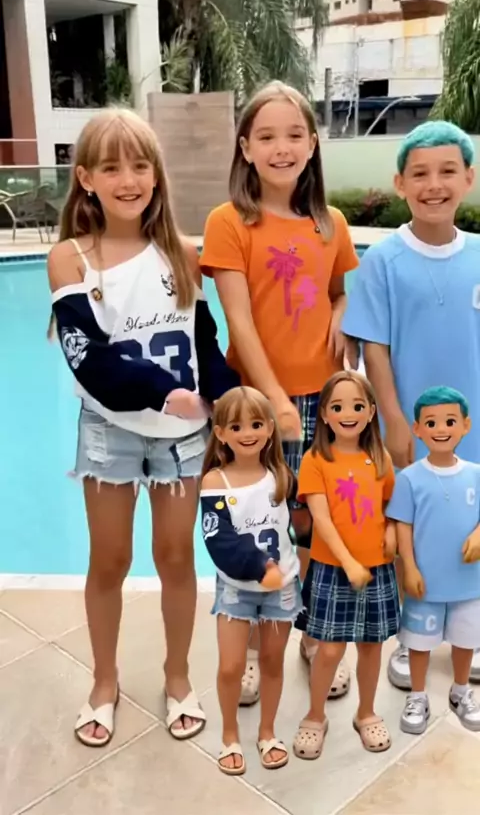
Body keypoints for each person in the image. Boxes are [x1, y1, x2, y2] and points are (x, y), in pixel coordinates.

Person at [47, 108, 239, 747]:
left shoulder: (181, 253)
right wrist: (168, 394)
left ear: (156, 175)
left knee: (176, 557)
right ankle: (104, 681)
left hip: (183, 438)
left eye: (139, 165)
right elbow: (89, 360)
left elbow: (203, 341)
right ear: (86, 178)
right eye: (111, 167)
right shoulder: (71, 258)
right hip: (110, 432)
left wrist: (224, 397)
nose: (128, 180)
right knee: (110, 559)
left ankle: (177, 676)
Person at [200, 80, 359, 704]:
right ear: (245, 148)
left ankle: (313, 633)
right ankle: (246, 648)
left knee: (316, 522)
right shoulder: (228, 222)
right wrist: (275, 402)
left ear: (313, 144)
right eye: (265, 136)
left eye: (294, 134)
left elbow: (341, 291)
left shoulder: (330, 223)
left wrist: (341, 312)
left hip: (325, 400)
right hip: (255, 406)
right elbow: (238, 321)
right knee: (254, 521)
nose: (281, 147)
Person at [342, 120, 480, 689]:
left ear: (469, 178)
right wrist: (394, 418)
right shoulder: (383, 260)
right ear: (400, 184)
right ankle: (414, 635)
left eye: (448, 171)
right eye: (420, 174)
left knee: (469, 523)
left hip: (472, 422)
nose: (434, 185)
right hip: (411, 426)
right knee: (414, 528)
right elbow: (374, 346)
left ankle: (470, 631)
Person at [293, 371, 399, 760]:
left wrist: (391, 533)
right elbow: (320, 519)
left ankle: (366, 712)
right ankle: (315, 715)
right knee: (329, 650)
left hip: (377, 569)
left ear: (371, 412)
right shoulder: (315, 460)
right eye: (338, 407)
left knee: (371, 647)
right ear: (323, 414)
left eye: (357, 406)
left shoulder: (381, 459)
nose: (348, 414)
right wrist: (349, 562)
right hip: (332, 569)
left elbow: (392, 508)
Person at [200, 386, 302, 775]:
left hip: (283, 589)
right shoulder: (215, 483)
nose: (248, 433)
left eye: (257, 424)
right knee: (231, 667)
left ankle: (266, 732)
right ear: (221, 433)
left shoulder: (281, 476)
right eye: (237, 426)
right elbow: (221, 540)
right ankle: (230, 735)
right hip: (237, 589)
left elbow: (299, 525)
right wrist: (262, 568)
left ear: (270, 429)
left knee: (273, 662)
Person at [386, 387, 480, 734]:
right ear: (417, 429)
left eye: (450, 421)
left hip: (468, 582)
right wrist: (409, 567)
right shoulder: (410, 478)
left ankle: (461, 690)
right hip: (424, 582)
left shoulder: (475, 474)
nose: (441, 429)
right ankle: (418, 695)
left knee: (466, 639)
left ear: (465, 425)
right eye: (431, 423)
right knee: (418, 643)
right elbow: (403, 525)